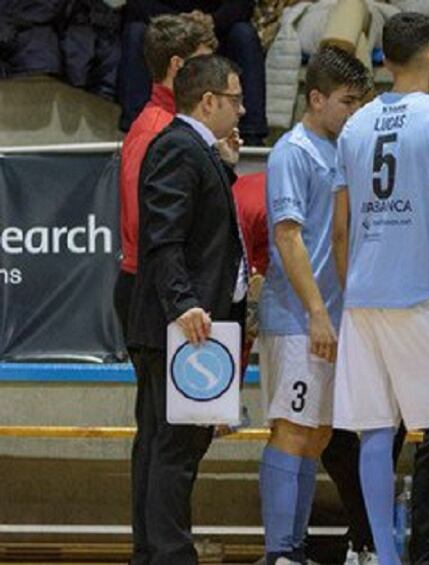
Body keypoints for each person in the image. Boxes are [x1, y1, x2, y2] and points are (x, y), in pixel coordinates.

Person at [331, 13, 429, 565]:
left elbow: (340, 227)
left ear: (385, 60)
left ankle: (386, 558)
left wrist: (354, 290)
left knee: (374, 432)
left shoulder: (353, 125)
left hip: (364, 296)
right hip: (423, 293)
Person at [126, 53, 247, 565]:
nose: (242, 110)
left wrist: (224, 170)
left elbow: (196, 226)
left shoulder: (195, 150)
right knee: (175, 448)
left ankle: (155, 553)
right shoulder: (177, 148)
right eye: (236, 100)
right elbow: (164, 237)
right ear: (209, 100)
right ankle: (170, 554)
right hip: (184, 327)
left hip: (183, 324)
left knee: (164, 446)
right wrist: (184, 305)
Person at [257, 46, 372, 565]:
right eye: (347, 101)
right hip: (300, 317)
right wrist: (318, 312)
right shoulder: (292, 150)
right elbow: (287, 236)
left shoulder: (342, 149)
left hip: (335, 314)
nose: (354, 111)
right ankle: (281, 549)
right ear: (317, 97)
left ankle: (295, 546)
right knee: (293, 428)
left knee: (321, 432)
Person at [115, 14, 217, 346]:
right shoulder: (155, 131)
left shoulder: (175, 126)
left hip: (169, 290)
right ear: (177, 65)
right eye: (202, 64)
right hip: (158, 294)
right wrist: (178, 298)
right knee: (159, 400)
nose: (210, 75)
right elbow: (144, 223)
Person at [120, 0, 267, 145]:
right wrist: (180, 22)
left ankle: (252, 133)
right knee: (136, 32)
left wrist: (213, 20)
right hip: (168, 27)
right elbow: (136, 4)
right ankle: (135, 123)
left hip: (217, 28)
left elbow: (244, 5)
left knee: (244, 34)